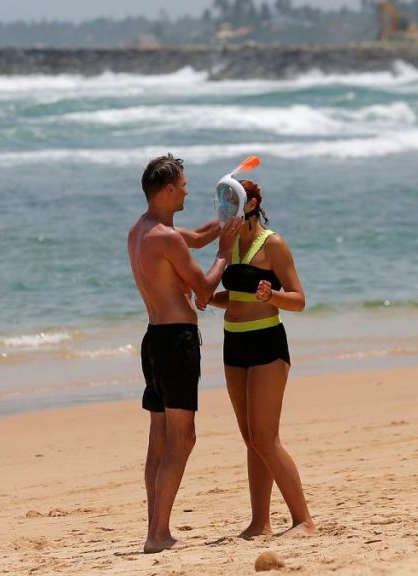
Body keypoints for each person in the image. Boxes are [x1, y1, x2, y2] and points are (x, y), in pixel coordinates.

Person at [127, 153, 241, 553]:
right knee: (183, 438)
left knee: (159, 439)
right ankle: (158, 534)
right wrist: (225, 252)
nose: (188, 189)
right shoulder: (166, 238)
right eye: (185, 183)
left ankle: (154, 527)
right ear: (170, 188)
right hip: (176, 344)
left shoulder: (141, 231)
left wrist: (228, 220)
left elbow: (192, 237)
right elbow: (205, 289)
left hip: (153, 341)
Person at [199, 178, 316, 538]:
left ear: (251, 204)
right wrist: (205, 297)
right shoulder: (229, 244)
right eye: (223, 199)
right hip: (233, 345)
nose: (227, 206)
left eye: (232, 199)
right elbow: (233, 297)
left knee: (266, 438)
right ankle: (259, 522)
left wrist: (272, 297)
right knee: (251, 438)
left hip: (267, 344)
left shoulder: (273, 244)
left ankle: (303, 520)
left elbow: (298, 299)